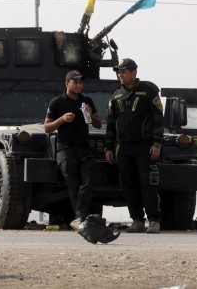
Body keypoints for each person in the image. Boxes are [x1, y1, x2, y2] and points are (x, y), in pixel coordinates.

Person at [104, 58, 164, 234]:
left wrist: (157, 143)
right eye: (118, 72)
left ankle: (153, 220)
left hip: (145, 146)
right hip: (123, 147)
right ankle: (137, 220)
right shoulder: (116, 95)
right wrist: (109, 147)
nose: (120, 75)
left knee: (148, 184)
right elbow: (110, 124)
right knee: (129, 184)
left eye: (123, 72)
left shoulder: (148, 91)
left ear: (133, 73)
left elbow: (158, 119)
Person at [44, 70, 102, 231]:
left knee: (89, 179)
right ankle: (81, 218)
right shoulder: (57, 102)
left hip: (84, 147)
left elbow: (98, 124)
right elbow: (47, 127)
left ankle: (80, 216)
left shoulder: (87, 100)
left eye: (81, 82)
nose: (78, 85)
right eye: (75, 82)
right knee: (73, 183)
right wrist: (62, 119)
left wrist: (91, 114)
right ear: (67, 83)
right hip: (65, 148)